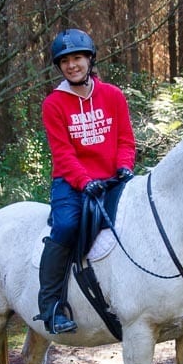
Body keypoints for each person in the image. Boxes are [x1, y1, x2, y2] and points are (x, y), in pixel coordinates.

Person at [36, 28, 136, 335]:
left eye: (77, 58)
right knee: (66, 225)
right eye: (64, 61)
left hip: (111, 179)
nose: (71, 65)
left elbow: (125, 141)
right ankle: (51, 305)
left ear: (89, 59)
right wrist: (83, 181)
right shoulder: (53, 104)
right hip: (71, 182)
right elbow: (63, 154)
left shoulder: (113, 96)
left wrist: (124, 168)